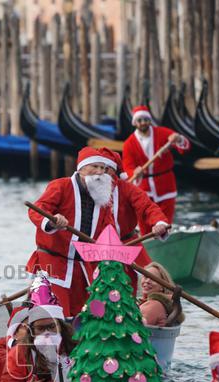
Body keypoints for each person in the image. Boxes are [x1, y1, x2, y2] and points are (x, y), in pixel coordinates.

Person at [27, 147, 171, 318]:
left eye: (103, 168)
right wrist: (52, 221)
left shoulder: (105, 194)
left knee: (89, 312)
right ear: (81, 168)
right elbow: (37, 209)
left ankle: (136, 316)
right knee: (55, 312)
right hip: (54, 262)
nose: (101, 172)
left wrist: (158, 223)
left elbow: (139, 211)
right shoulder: (61, 186)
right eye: (95, 167)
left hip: (96, 258)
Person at [1, 288, 76, 382]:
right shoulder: (20, 354)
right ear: (32, 331)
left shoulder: (77, 349)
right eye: (41, 328)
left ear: (60, 326)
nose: (47, 333)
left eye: (51, 327)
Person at [122, 106, 191, 224]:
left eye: (145, 119)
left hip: (165, 185)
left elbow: (185, 148)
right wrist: (134, 172)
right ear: (135, 123)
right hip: (144, 189)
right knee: (144, 221)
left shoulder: (163, 133)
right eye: (139, 120)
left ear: (150, 120)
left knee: (165, 222)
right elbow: (128, 166)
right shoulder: (129, 143)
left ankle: (164, 234)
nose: (143, 123)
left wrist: (179, 138)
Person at [138, 261, 185, 327]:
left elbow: (134, 326)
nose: (147, 281)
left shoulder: (154, 305)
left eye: (153, 278)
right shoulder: (145, 302)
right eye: (145, 276)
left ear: (162, 286)